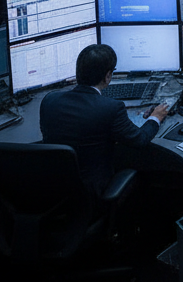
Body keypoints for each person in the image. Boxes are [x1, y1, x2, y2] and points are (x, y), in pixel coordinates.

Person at [40, 43, 169, 197]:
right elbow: (140, 140)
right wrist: (156, 117)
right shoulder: (111, 108)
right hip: (91, 191)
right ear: (108, 76)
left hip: (54, 189)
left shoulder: (49, 100)